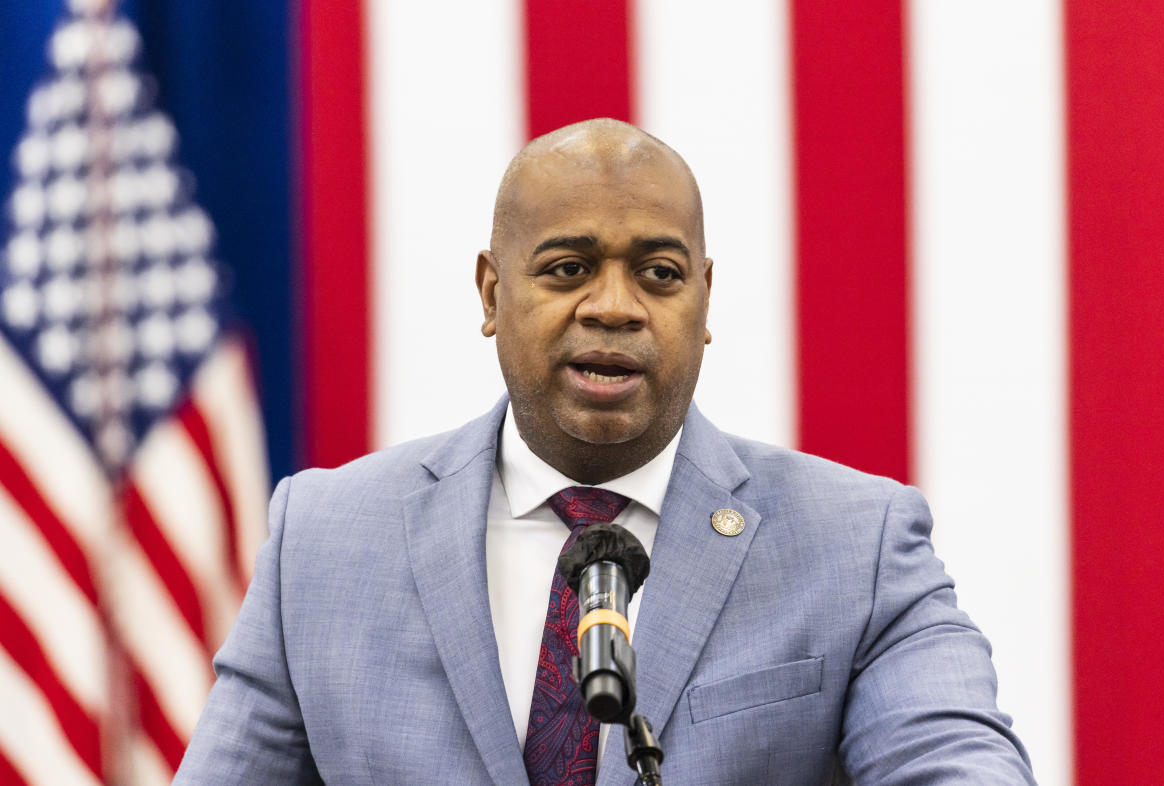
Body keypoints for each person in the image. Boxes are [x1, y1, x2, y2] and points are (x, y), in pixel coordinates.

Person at [175, 119, 1035, 784]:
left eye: (659, 273)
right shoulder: (322, 541)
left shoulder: (860, 547)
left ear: (704, 304)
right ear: (492, 292)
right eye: (567, 268)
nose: (615, 307)